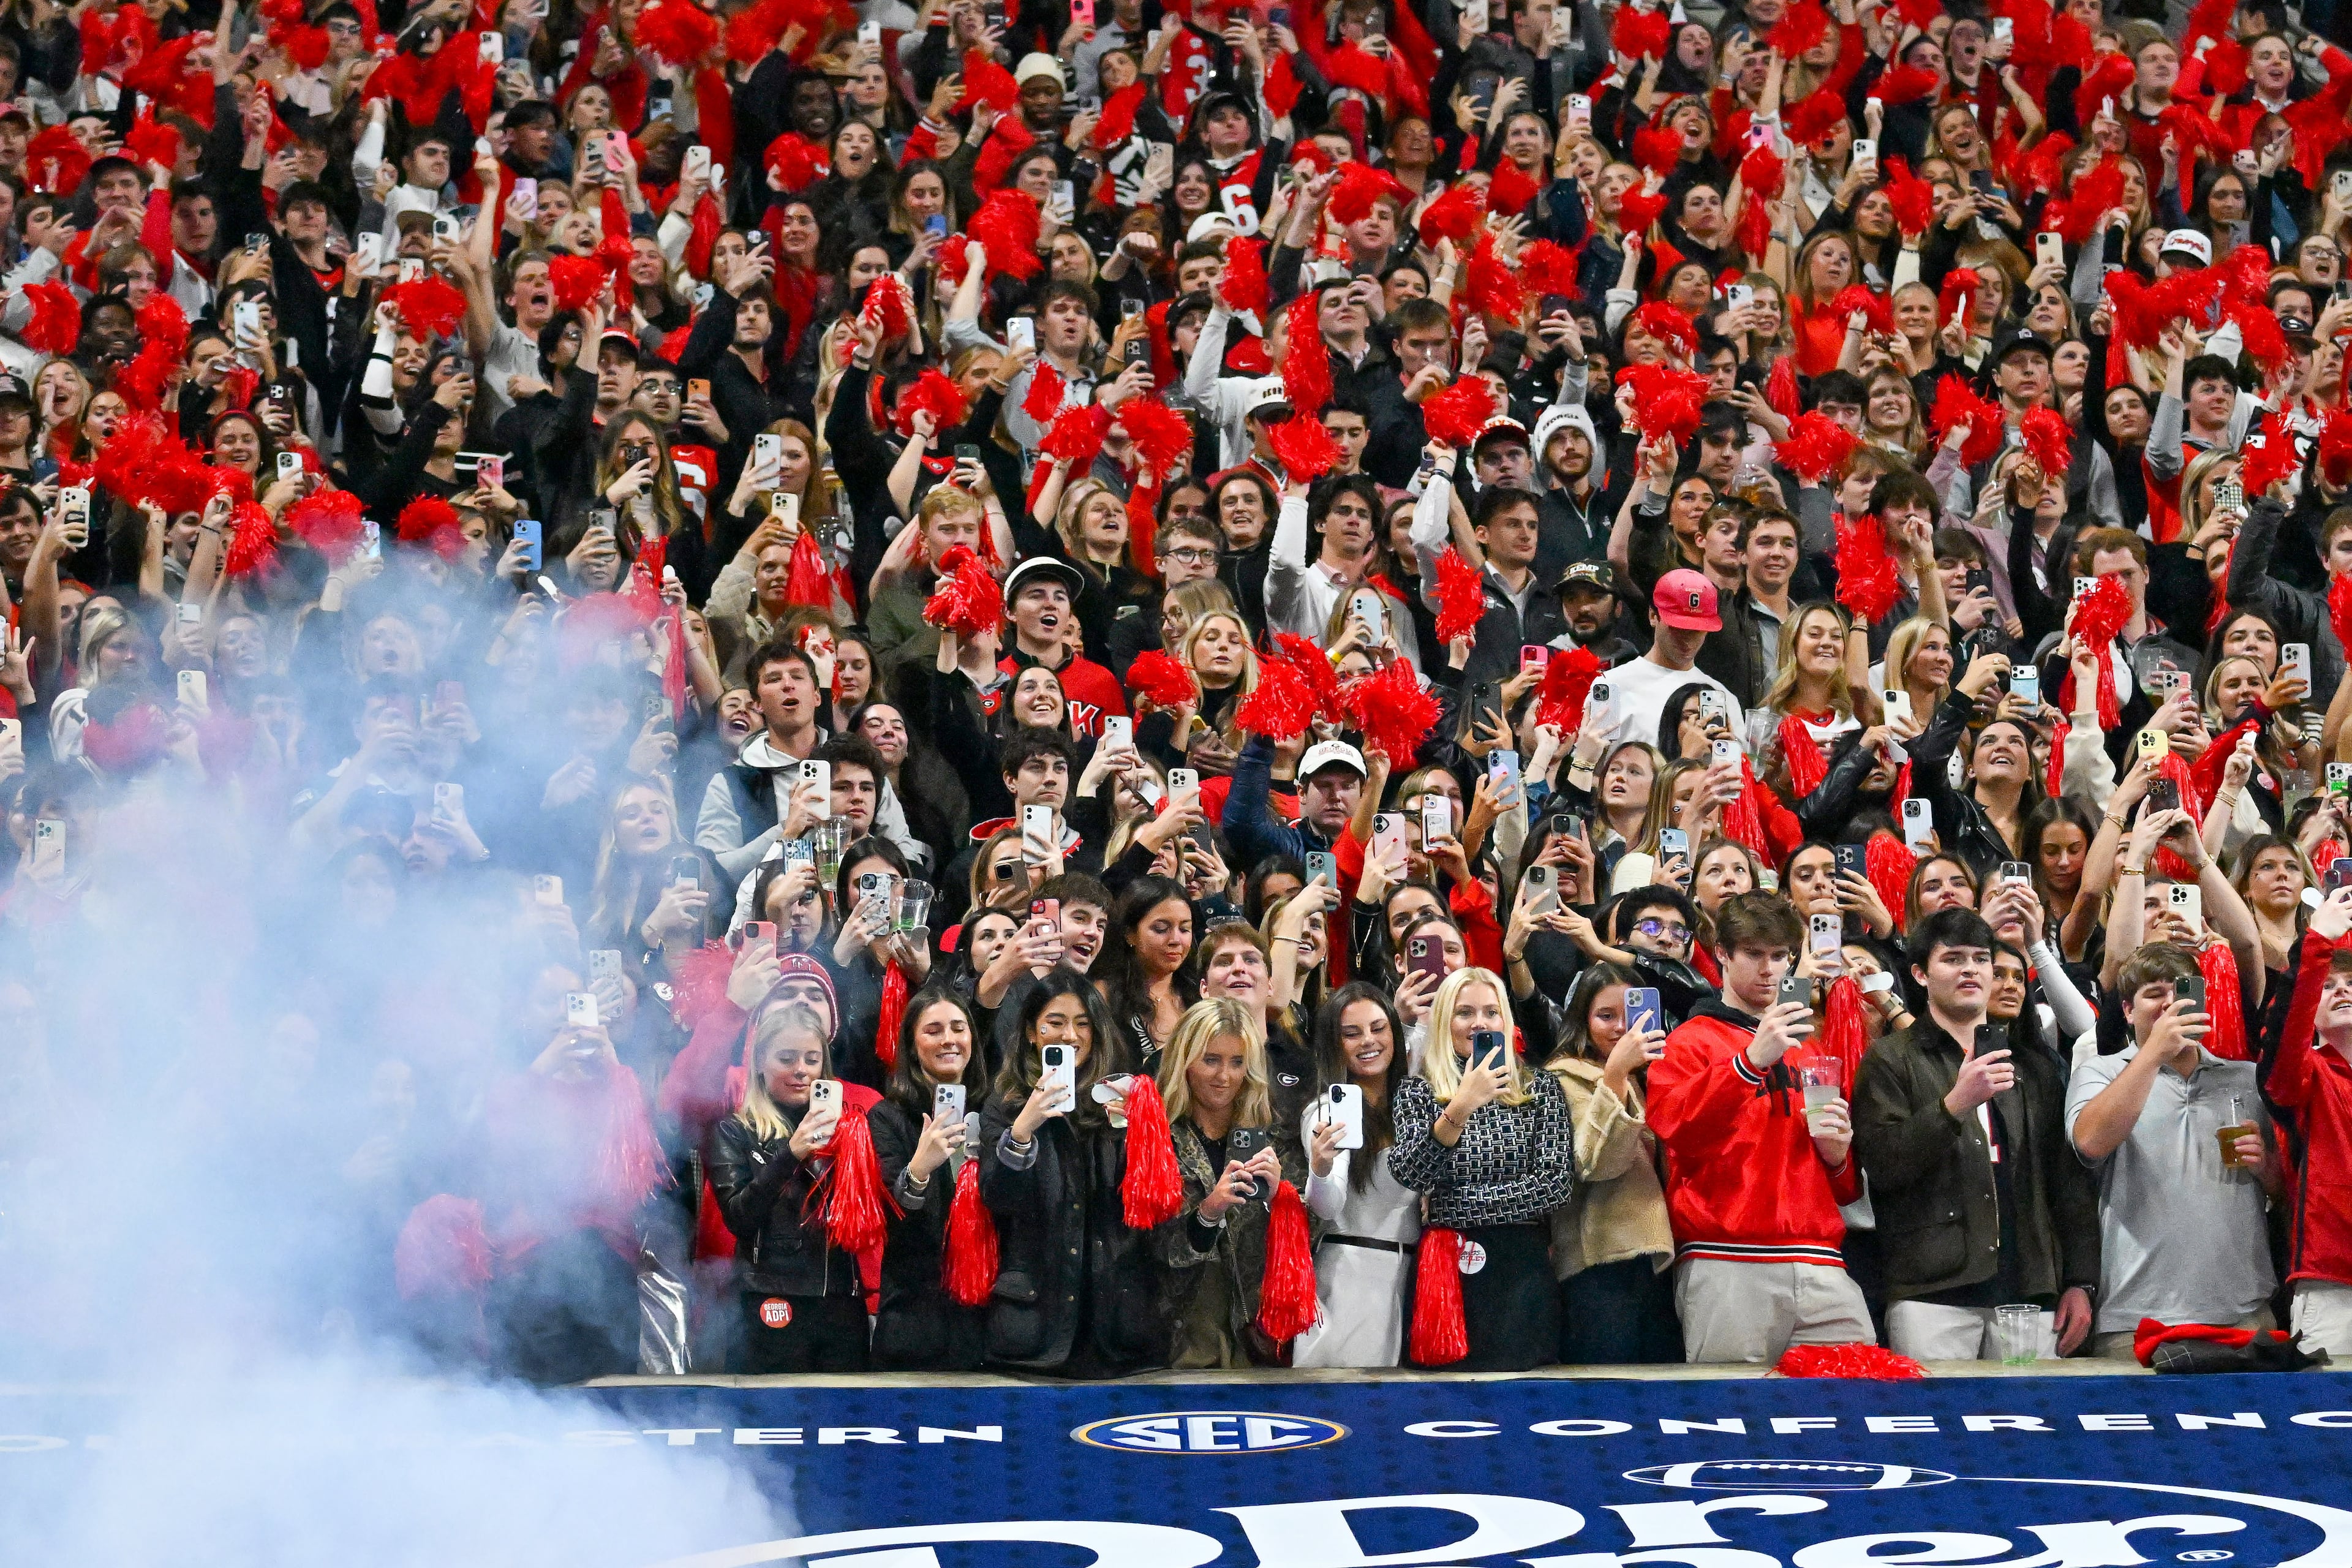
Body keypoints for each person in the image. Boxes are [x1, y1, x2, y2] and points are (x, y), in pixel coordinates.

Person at [1852, 909, 2100, 1362]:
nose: (1970, 969)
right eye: (1953, 959)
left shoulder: (2033, 1066)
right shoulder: (1890, 1060)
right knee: (1938, 1429)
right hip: (1932, 1291)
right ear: (1920, 974)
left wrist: (2080, 1282)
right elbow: (1884, 1166)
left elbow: (2067, 1185)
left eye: (1980, 959)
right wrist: (1954, 1105)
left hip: (2031, 1291)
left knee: (2033, 1426)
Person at [1649, 892, 1874, 1365]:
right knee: (1730, 1423)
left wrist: (1837, 1157)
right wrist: (1750, 1062)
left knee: (1855, 1412)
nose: (1770, 970)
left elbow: (1845, 1186)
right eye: (1754, 954)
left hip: (1820, 1257)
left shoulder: (1810, 1050)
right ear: (1723, 955)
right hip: (1727, 1257)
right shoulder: (1689, 1041)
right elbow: (1676, 1131)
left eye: (1779, 956)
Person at [2067, 942, 2280, 1359]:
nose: (2170, 1004)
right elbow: (2090, 1143)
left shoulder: (2247, 1078)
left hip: (2246, 1315)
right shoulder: (2101, 1071)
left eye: (2181, 991)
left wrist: (2268, 1169)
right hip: (2138, 1321)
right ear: (2128, 1011)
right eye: (2154, 994)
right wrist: (2152, 1055)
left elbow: (2290, 1194)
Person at [976, 968, 1166, 1376]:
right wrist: (1023, 1131)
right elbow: (998, 1199)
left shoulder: (1121, 1100)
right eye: (1056, 1023)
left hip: (1116, 1327)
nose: (1070, 1036)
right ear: (1032, 1032)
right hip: (1033, 1330)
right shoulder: (1006, 1104)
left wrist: (1139, 1133)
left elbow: (1150, 1202)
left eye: (1083, 1024)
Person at [1389, 967, 1577, 1371]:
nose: (1479, 1023)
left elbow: (1555, 1186)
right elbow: (1411, 1175)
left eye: (1491, 1012)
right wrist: (1460, 1106)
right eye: (1465, 1012)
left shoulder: (1539, 1088)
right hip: (1446, 1273)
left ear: (1505, 1021)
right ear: (1444, 1022)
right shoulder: (1418, 1091)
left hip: (1521, 1266)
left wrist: (1453, 1204)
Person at [707, 1001, 877, 1373]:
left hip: (841, 1300)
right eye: (786, 1058)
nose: (801, 1070)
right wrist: (792, 1153)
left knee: (843, 1419)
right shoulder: (734, 1131)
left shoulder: (853, 1131)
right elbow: (739, 1216)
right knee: (770, 1417)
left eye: (812, 1059)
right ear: (760, 1064)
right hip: (769, 1295)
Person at [1546, 962, 1682, 1365]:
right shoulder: (1562, 1078)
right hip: (1599, 1263)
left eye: (1633, 1015)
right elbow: (1597, 1164)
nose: (1622, 1028)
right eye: (1606, 1016)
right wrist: (1617, 1073)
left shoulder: (1648, 1079)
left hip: (1652, 1256)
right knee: (1608, 1392)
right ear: (1582, 1022)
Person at [1156, 997, 1301, 1368]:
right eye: (1211, 1060)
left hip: (1262, 1333)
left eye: (1237, 1063)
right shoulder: (1159, 1136)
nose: (1225, 1077)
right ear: (1185, 1062)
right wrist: (1208, 1212)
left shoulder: (1272, 1132)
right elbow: (1155, 1247)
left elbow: (1309, 1239)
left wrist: (1282, 1196)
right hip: (1181, 1333)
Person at [1294, 983, 1419, 1370]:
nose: (1369, 1041)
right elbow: (1329, 1205)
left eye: (1379, 1028)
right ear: (1335, 1044)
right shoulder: (1325, 1112)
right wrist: (1321, 1166)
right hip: (1351, 1278)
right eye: (1352, 1033)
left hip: (1417, 1278)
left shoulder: (1416, 1103)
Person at [869, 988, 992, 1371]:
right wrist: (919, 1169)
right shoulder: (888, 1117)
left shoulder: (998, 1111)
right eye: (933, 1030)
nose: (949, 1040)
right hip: (915, 1317)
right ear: (911, 1044)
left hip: (991, 1320)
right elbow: (889, 1224)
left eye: (959, 1028)